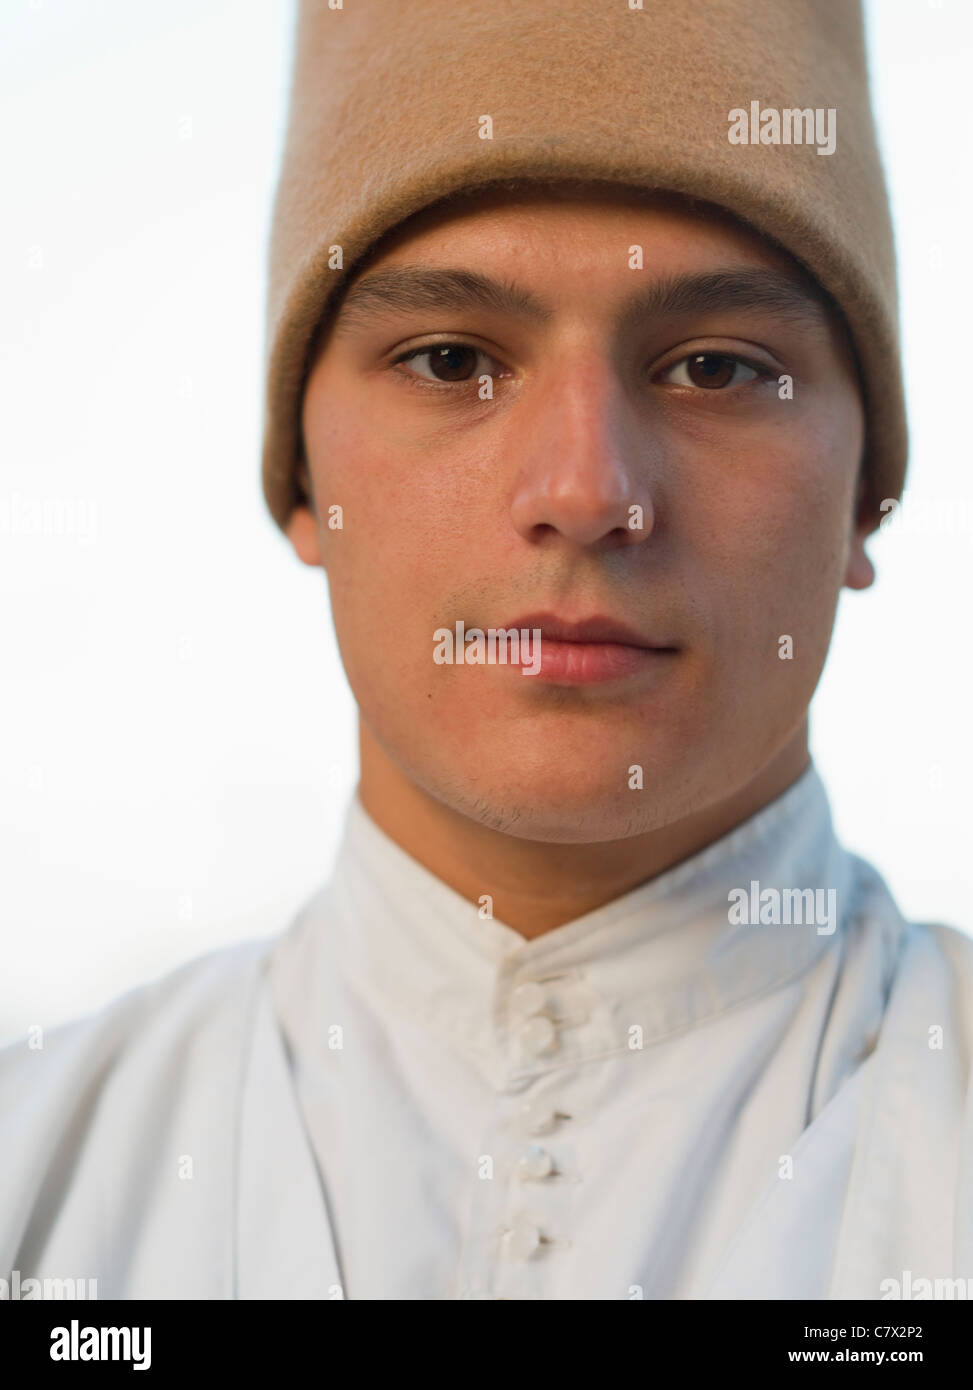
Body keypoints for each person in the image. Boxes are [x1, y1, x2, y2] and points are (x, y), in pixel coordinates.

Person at [2, 0, 970, 1301]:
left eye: (718, 369)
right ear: (299, 479)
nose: (584, 489)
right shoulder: (37, 1175)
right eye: (450, 356)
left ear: (865, 492)